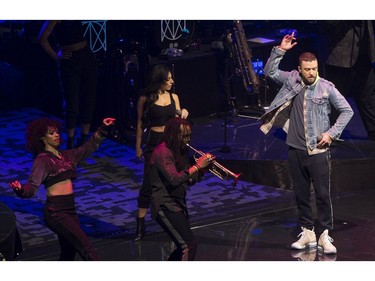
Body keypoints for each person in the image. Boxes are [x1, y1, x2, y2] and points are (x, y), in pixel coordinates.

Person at [259, 32, 354, 255]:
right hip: (295, 148)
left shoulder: (326, 87)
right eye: (307, 69)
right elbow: (269, 71)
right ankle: (308, 231)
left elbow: (346, 111)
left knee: (322, 194)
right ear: (300, 69)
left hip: (318, 150)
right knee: (300, 193)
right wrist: (280, 49)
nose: (311, 72)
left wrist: (331, 133)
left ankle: (324, 235)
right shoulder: (292, 78)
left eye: (314, 68)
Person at [9, 116, 116, 261]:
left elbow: (87, 148)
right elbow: (32, 187)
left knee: (68, 253)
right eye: (51, 133)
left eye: (57, 132)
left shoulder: (67, 156)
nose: (56, 135)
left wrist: (102, 128)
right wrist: (20, 189)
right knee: (86, 246)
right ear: (42, 137)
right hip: (56, 212)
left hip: (70, 210)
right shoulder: (43, 160)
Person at [134, 64, 189, 241]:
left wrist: (183, 113)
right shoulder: (145, 98)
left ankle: (179, 219)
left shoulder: (174, 97)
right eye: (169, 79)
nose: (172, 82)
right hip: (154, 142)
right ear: (159, 80)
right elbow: (140, 124)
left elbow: (179, 117)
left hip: (172, 143)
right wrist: (137, 146)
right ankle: (140, 225)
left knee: (175, 182)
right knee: (149, 184)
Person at [150, 117, 214, 260]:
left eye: (189, 135)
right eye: (184, 136)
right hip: (164, 205)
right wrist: (197, 166)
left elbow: (187, 181)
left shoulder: (181, 151)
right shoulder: (163, 152)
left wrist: (202, 171)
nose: (187, 140)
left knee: (183, 247)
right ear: (173, 134)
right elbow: (174, 179)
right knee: (188, 246)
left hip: (177, 203)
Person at [38, 20, 98, 149]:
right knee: (71, 101)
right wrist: (56, 55)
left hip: (86, 57)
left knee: (89, 98)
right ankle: (70, 141)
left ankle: (84, 138)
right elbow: (42, 38)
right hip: (69, 60)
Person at [321, 20, 375, 140]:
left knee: (368, 95)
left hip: (365, 52)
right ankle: (329, 135)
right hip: (339, 55)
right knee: (335, 98)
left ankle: (373, 131)